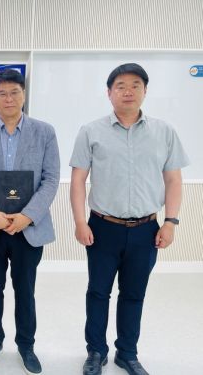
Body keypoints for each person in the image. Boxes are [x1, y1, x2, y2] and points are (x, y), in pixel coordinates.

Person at [70, 63, 189, 375]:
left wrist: (170, 221)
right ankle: (96, 352)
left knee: (134, 294)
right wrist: (80, 222)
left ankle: (127, 353)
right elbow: (78, 180)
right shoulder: (90, 131)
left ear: (145, 91)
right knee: (98, 292)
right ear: (109, 93)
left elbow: (174, 180)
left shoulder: (164, 132)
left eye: (136, 85)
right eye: (120, 86)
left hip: (146, 229)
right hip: (102, 227)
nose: (128, 91)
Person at [0, 68, 60, 375]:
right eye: (2, 93)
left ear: (24, 95)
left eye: (14, 92)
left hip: (28, 228)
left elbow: (51, 179)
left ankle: (26, 345)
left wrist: (26, 216)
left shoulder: (44, 132)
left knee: (25, 290)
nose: (9, 98)